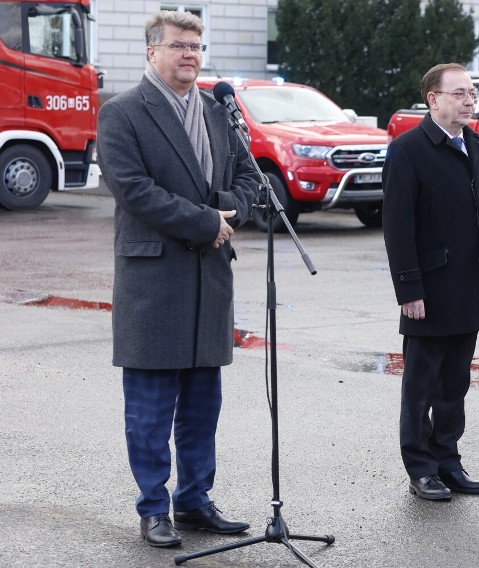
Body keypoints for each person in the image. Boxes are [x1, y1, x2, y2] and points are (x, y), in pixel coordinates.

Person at [97, 10, 259, 547]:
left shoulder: (217, 112)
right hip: (154, 283)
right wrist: (206, 222)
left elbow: (246, 177)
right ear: (151, 52)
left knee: (200, 409)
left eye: (196, 45)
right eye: (178, 45)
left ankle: (194, 501)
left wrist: (228, 209)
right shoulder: (122, 112)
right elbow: (133, 190)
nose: (190, 53)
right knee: (149, 411)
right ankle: (153, 508)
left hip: (208, 280)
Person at [382, 63, 479, 500]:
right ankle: (420, 468)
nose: (468, 100)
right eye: (458, 93)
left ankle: (447, 461)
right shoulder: (408, 150)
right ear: (433, 99)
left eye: (471, 92)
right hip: (431, 289)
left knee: (455, 383)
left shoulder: (478, 146)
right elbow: (397, 227)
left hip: (471, 283)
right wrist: (409, 288)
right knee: (422, 385)